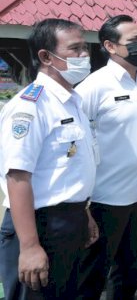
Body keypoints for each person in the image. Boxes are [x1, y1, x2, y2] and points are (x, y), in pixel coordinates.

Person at [0, 18, 99, 299]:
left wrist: (84, 213)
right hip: (39, 226)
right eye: (75, 49)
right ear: (46, 56)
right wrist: (29, 247)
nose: (84, 56)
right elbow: (18, 178)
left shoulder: (72, 101)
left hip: (70, 223)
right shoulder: (31, 106)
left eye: (85, 49)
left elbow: (69, 169)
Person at [76, 15, 137, 300]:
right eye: (133, 41)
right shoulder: (95, 86)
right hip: (106, 199)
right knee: (92, 276)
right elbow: (76, 139)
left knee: (130, 274)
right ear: (110, 47)